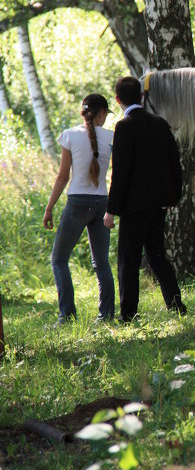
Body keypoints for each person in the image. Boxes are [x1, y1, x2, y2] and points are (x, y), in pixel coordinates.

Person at [103, 76, 186, 323]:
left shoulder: (124, 126)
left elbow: (121, 172)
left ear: (117, 100)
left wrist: (111, 209)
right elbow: (175, 164)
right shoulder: (161, 124)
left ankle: (128, 315)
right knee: (157, 255)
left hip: (133, 206)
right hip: (159, 204)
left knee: (129, 260)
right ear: (141, 96)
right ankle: (176, 305)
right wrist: (172, 197)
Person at [43, 94, 115, 326]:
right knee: (101, 263)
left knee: (59, 259)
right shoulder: (112, 137)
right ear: (102, 113)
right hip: (102, 202)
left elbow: (63, 176)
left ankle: (67, 315)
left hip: (77, 203)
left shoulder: (69, 136)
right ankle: (106, 315)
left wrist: (49, 208)